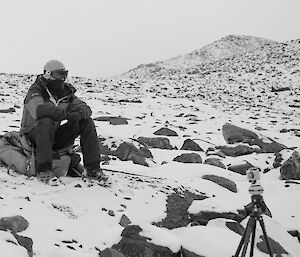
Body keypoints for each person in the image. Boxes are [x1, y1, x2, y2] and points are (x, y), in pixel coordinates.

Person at [20, 59, 105, 184]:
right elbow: (39, 110)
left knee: (86, 122)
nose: (63, 78)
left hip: (52, 135)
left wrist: (78, 114)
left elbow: (85, 108)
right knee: (46, 120)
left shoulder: (66, 93)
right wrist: (64, 115)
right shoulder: (36, 90)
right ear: (48, 74)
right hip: (32, 135)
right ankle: (43, 170)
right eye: (60, 75)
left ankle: (93, 169)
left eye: (65, 75)